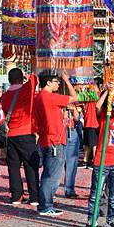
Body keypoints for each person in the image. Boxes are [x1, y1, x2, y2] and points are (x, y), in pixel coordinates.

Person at [33, 71, 78, 216]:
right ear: (48, 82)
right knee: (52, 176)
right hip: (55, 140)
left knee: (48, 173)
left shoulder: (39, 97)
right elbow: (75, 97)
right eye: (56, 81)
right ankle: (46, 206)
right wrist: (67, 80)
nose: (58, 84)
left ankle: (44, 204)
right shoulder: (49, 97)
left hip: (47, 139)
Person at [86, 87, 114, 227]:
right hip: (102, 160)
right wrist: (107, 91)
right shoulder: (104, 115)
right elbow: (97, 106)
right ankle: (92, 220)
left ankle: (112, 219)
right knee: (96, 193)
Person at [1, 68, 39, 206]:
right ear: (22, 78)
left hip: (11, 135)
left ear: (9, 80)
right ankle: (34, 196)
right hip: (26, 133)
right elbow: (35, 77)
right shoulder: (26, 90)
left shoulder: (4, 96)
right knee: (30, 165)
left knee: (13, 166)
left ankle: (16, 196)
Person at [64, 104, 82, 199]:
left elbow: (76, 118)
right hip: (60, 132)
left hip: (72, 131)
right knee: (55, 164)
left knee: (71, 164)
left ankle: (69, 189)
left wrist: (73, 109)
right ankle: (49, 190)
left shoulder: (73, 103)